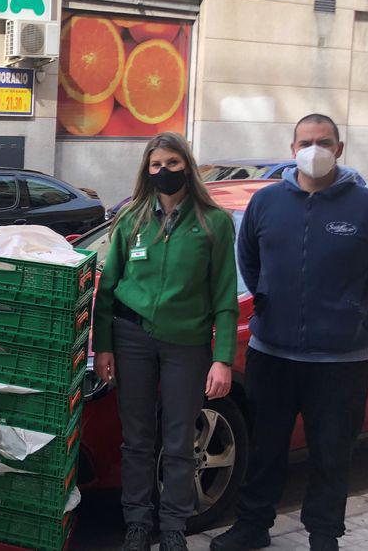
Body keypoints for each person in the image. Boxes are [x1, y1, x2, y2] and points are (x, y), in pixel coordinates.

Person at [212, 115, 368, 551]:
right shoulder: (266, 204)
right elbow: (249, 260)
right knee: (265, 449)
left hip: (340, 361)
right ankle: (253, 526)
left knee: (332, 453)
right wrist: (269, 299)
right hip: (272, 353)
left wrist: (354, 308)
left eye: (323, 142)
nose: (313, 149)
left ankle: (323, 534)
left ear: (339, 149)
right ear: (292, 146)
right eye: (305, 141)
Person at [93, 132, 239, 551]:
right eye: (156, 165)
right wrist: (104, 345)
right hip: (132, 338)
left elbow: (225, 296)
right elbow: (107, 289)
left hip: (187, 345)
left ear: (187, 167)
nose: (164, 172)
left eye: (172, 164)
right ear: (146, 170)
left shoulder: (214, 224)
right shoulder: (132, 219)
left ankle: (173, 527)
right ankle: (137, 523)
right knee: (136, 439)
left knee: (178, 441)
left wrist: (223, 358)